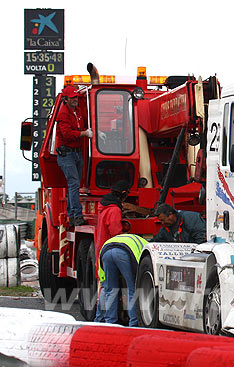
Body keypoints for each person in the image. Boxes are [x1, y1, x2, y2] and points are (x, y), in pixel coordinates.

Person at [94, 180, 131, 323]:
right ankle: (110, 320)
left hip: (102, 250)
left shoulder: (104, 207)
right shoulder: (114, 209)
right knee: (111, 289)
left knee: (105, 287)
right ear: (123, 194)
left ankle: (100, 319)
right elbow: (116, 232)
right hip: (113, 250)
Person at [55, 85, 93, 226]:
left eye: (76, 97)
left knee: (74, 185)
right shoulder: (63, 114)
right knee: (74, 184)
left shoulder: (77, 111)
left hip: (75, 152)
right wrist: (84, 133)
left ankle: (73, 215)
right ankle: (76, 215)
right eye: (72, 98)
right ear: (66, 99)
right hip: (67, 154)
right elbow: (67, 134)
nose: (75, 99)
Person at [97, 234, 147, 327]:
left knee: (110, 290)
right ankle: (134, 323)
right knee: (132, 289)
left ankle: (109, 322)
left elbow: (103, 278)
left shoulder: (130, 240)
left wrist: (104, 282)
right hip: (124, 253)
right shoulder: (145, 245)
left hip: (106, 252)